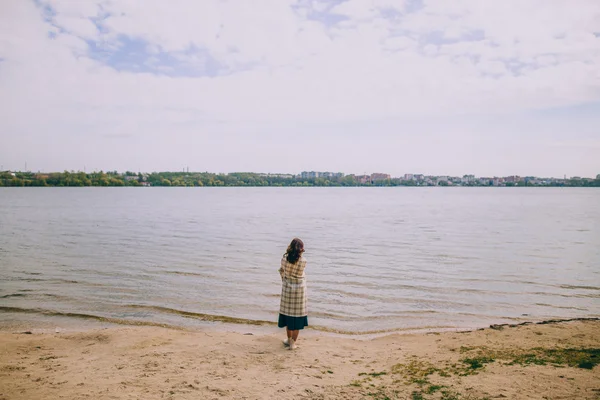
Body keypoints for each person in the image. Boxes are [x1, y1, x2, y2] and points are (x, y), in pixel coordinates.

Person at [278, 238, 308, 350]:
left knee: (288, 316)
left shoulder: (284, 259)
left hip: (287, 290)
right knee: (298, 317)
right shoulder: (303, 261)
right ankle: (293, 343)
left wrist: (284, 279)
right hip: (300, 291)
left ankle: (289, 339)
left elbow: (282, 271)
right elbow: (301, 272)